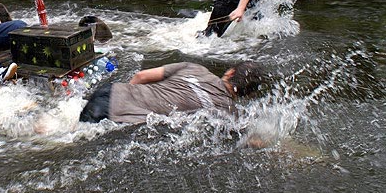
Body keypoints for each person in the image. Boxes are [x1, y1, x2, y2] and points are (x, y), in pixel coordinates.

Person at [79, 61, 262, 124]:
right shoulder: (231, 115)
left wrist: (126, 95)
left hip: (110, 90)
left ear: (230, 72)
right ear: (247, 95)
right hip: (113, 115)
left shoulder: (195, 67)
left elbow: (141, 76)